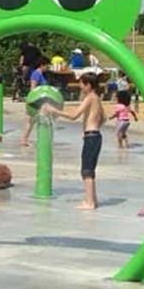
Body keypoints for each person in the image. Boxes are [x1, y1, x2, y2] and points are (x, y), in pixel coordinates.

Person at [61, 75, 106, 209]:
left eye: (81, 84)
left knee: (86, 170)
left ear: (88, 85)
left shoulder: (90, 98)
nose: (80, 87)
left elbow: (74, 116)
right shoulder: (97, 98)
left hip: (91, 136)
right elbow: (104, 118)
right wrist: (95, 124)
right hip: (95, 135)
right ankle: (92, 200)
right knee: (89, 169)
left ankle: (89, 202)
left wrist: (54, 111)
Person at [20, 58, 50, 145]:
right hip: (35, 100)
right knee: (30, 121)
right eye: (46, 66)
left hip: (40, 101)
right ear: (42, 65)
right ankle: (24, 139)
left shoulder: (41, 74)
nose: (47, 68)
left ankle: (26, 139)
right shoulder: (36, 74)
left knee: (34, 121)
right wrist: (32, 100)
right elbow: (33, 88)